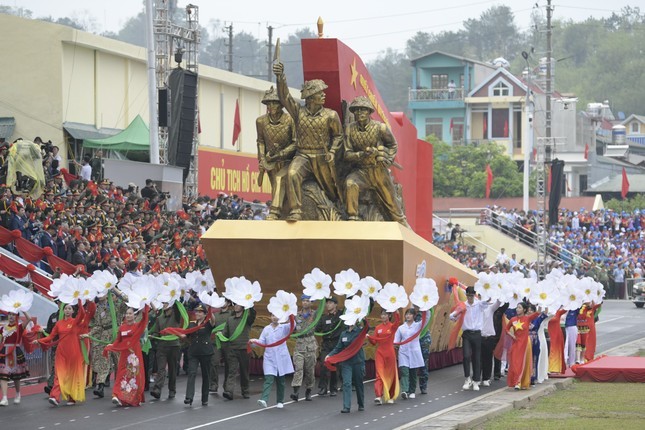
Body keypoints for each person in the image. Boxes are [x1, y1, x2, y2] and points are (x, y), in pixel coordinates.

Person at [273, 60, 343, 221]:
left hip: (321, 157)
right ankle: (296, 210)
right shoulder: (298, 112)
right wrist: (280, 76)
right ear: (311, 98)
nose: (324, 95)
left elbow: (338, 136)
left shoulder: (331, 115)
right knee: (292, 174)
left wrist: (332, 151)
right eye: (320, 93)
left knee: (331, 187)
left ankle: (339, 209)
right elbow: (284, 97)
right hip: (302, 155)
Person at [343, 96, 409, 226]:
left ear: (369, 112)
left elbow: (393, 145)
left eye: (363, 110)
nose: (359, 113)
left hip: (378, 170)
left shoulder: (380, 128)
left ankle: (405, 228)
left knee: (392, 203)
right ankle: (352, 219)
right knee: (350, 183)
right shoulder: (349, 129)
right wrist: (362, 154)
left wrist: (387, 158)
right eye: (356, 110)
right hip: (361, 171)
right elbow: (347, 154)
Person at [37, 300, 96, 406]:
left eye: (70, 308)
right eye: (66, 308)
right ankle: (54, 396)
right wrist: (39, 341)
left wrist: (79, 301)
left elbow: (82, 313)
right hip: (61, 353)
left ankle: (71, 397)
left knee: (71, 375)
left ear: (73, 311)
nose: (67, 310)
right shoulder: (59, 324)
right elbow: (50, 337)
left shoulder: (75, 322)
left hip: (73, 353)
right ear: (63, 310)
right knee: (58, 374)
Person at [256, 86, 296, 220]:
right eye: (269, 103)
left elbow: (296, 142)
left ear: (281, 105)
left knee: (280, 180)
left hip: (288, 160)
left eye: (274, 102)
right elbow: (260, 141)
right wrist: (261, 158)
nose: (271, 106)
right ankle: (282, 214)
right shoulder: (261, 121)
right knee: (275, 187)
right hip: (270, 161)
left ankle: (274, 211)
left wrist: (282, 153)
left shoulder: (290, 120)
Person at [103, 306, 149, 406]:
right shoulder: (122, 327)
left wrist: (146, 307)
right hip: (124, 355)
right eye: (127, 313)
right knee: (121, 375)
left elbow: (145, 319)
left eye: (130, 313)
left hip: (134, 356)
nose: (128, 315)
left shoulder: (137, 326)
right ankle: (116, 395)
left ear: (134, 315)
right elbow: (118, 341)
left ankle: (131, 398)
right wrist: (111, 346)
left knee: (133, 377)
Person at [250, 313, 295, 409]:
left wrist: (289, 315)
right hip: (269, 357)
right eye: (272, 315)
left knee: (280, 380)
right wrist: (253, 342)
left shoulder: (284, 327)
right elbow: (262, 341)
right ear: (270, 317)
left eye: (276, 315)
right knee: (269, 379)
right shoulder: (266, 328)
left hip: (281, 357)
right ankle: (264, 399)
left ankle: (280, 401)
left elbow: (293, 325)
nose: (274, 317)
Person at [449, 286, 489, 391]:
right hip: (466, 333)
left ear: (474, 295)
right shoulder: (463, 306)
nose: (470, 298)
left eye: (471, 296)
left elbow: (486, 302)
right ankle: (467, 379)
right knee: (466, 356)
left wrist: (489, 295)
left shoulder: (479, 304)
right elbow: (453, 317)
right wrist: (454, 315)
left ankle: (476, 380)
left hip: (477, 333)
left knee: (476, 357)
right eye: (468, 296)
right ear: (466, 295)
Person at [181, 304, 217, 406]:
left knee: (206, 375)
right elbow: (185, 335)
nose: (197, 313)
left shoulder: (208, 323)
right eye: (196, 311)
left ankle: (204, 398)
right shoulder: (192, 324)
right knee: (191, 373)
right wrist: (176, 333)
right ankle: (189, 397)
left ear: (205, 314)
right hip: (194, 352)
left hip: (205, 352)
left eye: (200, 312)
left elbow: (213, 321)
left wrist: (210, 308)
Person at [326, 322, 366, 413]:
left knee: (358, 383)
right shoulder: (343, 334)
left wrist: (363, 318)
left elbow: (367, 327)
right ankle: (346, 406)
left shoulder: (359, 331)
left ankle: (361, 403)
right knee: (346, 383)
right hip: (346, 362)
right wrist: (329, 355)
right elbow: (338, 347)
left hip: (358, 361)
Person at [0, 310, 36, 406]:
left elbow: (29, 318)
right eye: (9, 314)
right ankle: (4, 397)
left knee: (16, 376)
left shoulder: (19, 327)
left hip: (15, 352)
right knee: (3, 375)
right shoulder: (2, 328)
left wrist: (22, 309)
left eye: (13, 315)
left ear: (16, 316)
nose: (11, 316)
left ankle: (18, 393)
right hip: (4, 352)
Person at [222, 303, 256, 400]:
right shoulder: (230, 319)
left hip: (244, 349)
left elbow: (252, 316)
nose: (236, 306)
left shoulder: (247, 319)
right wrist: (220, 335)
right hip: (232, 349)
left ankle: (245, 391)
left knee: (244, 371)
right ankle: (229, 391)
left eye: (238, 305)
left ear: (243, 307)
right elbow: (225, 334)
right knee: (232, 371)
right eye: (235, 305)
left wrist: (251, 306)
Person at [149, 301, 182, 400]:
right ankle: (157, 389)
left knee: (172, 369)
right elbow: (156, 332)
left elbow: (177, 306)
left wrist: (173, 296)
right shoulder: (159, 318)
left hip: (174, 346)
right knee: (161, 369)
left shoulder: (176, 316)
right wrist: (152, 336)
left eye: (166, 303)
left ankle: (172, 390)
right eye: (163, 303)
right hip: (162, 346)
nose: (163, 304)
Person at [506, 302, 541, 390]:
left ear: (524, 310)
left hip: (525, 345)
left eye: (520, 308)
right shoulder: (513, 319)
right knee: (514, 363)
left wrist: (541, 302)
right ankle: (516, 381)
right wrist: (512, 336)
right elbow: (506, 329)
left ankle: (518, 382)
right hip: (515, 344)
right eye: (517, 307)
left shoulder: (527, 318)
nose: (517, 309)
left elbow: (538, 313)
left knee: (522, 363)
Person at [368, 309, 400, 404]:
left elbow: (397, 322)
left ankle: (390, 396)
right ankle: (378, 396)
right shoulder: (378, 328)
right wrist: (369, 337)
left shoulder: (392, 326)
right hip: (380, 353)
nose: (383, 316)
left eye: (385, 314)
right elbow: (374, 342)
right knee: (379, 374)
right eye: (382, 314)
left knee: (390, 374)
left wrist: (397, 312)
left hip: (390, 353)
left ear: (389, 316)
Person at [290, 294, 318, 402]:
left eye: (307, 301)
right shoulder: (297, 316)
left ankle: (308, 390)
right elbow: (292, 328)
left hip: (310, 344)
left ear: (311, 302)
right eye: (303, 301)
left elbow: (320, 312)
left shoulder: (315, 314)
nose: (305, 303)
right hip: (299, 344)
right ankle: (296, 392)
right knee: (298, 368)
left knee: (310, 370)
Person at [394, 308, 424, 399]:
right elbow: (396, 340)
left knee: (413, 373)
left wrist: (426, 309)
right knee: (404, 371)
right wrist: (395, 345)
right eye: (407, 314)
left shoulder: (418, 325)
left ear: (414, 316)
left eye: (410, 314)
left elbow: (426, 320)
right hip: (403, 352)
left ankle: (412, 391)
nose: (408, 316)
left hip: (414, 352)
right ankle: (405, 391)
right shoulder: (401, 328)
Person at [316, 296, 342, 396]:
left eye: (331, 303)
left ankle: (333, 388)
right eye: (327, 303)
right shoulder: (324, 318)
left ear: (335, 304)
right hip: (326, 344)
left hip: (336, 345)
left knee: (334, 366)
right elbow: (317, 329)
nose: (328, 305)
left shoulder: (340, 316)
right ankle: (323, 387)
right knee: (323, 365)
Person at [210, 298, 232, 394]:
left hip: (228, 342)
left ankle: (227, 385)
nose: (222, 303)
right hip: (216, 342)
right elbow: (212, 325)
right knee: (214, 362)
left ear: (228, 303)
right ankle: (213, 384)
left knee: (229, 364)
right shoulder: (215, 314)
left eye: (225, 301)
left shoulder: (232, 314)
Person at [480, 299, 502, 386]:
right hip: (479, 337)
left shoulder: (490, 308)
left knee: (488, 359)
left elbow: (498, 303)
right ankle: (477, 378)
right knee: (478, 359)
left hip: (489, 337)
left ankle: (486, 378)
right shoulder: (477, 308)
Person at [547, 308, 567, 374]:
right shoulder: (545, 312)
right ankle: (547, 368)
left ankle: (556, 368)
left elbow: (566, 309)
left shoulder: (558, 312)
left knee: (556, 351)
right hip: (548, 332)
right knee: (549, 350)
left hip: (557, 333)